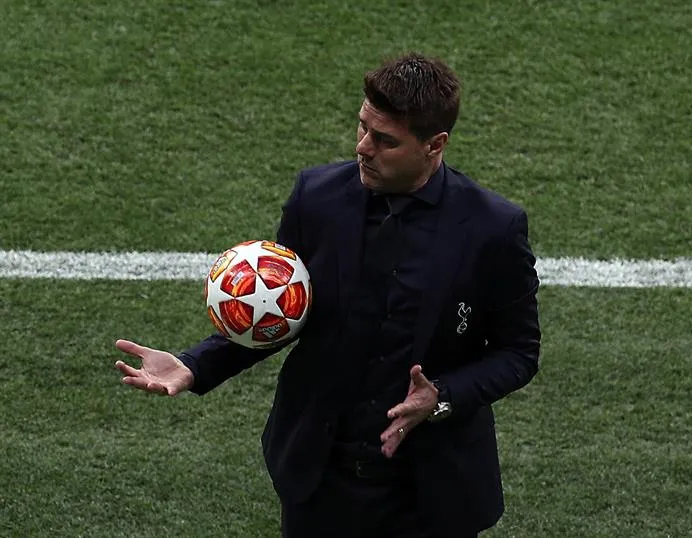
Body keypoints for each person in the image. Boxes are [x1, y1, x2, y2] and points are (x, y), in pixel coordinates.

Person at [115, 52, 541, 538]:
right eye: (362, 127)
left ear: (434, 145)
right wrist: (195, 364)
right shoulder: (316, 198)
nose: (364, 147)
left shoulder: (493, 228)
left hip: (429, 497)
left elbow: (519, 352)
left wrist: (442, 397)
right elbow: (281, 309)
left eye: (385, 141)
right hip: (320, 482)